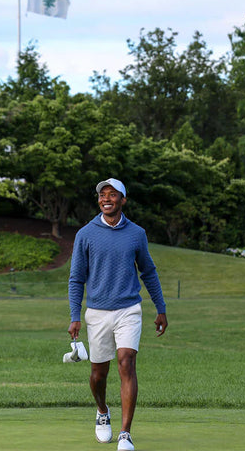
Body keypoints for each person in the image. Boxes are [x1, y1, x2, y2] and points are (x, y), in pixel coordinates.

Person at [68, 178, 167, 451]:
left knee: (126, 362)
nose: (106, 198)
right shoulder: (85, 234)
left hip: (129, 309)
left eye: (112, 194)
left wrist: (161, 309)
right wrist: (75, 315)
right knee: (98, 374)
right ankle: (102, 411)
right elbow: (76, 278)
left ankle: (125, 434)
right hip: (97, 312)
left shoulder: (137, 233)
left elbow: (148, 271)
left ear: (123, 200)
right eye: (102, 195)